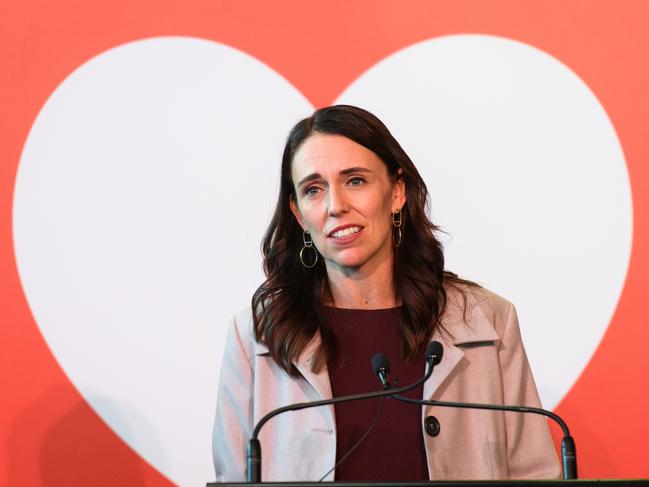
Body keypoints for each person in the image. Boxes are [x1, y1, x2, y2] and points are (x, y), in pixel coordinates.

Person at [212, 105, 561, 482]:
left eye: (355, 181)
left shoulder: (486, 319)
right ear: (299, 214)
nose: (336, 206)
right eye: (314, 189)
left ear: (397, 192)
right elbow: (234, 476)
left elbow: (534, 474)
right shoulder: (256, 336)